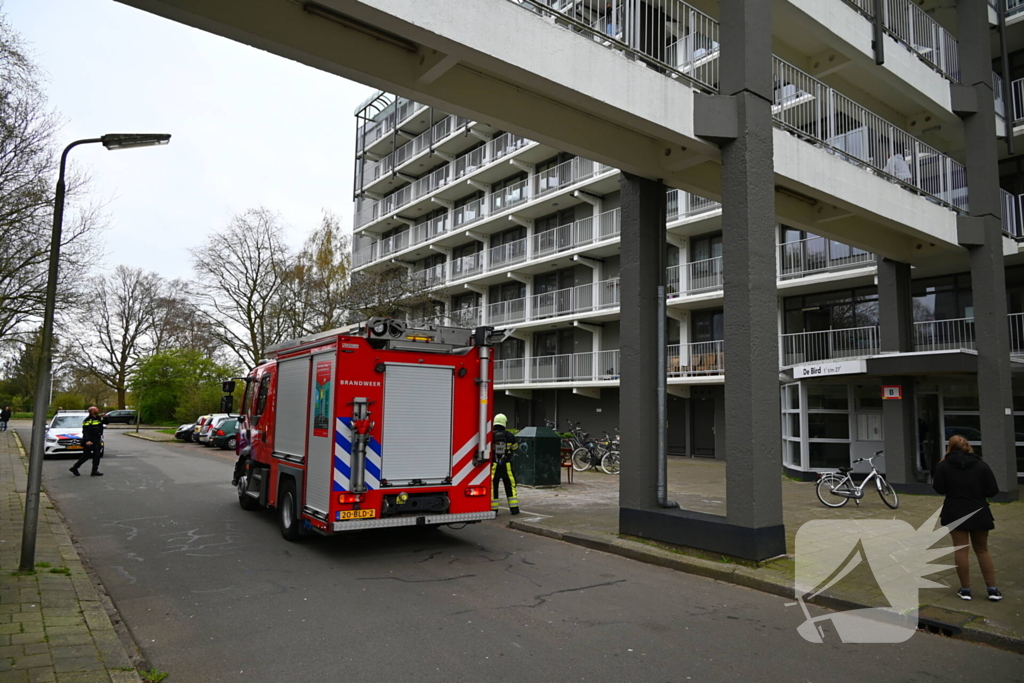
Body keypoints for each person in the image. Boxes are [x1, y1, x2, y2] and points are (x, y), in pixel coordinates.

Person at [932, 434, 1002, 602]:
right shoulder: (981, 465)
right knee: (982, 549)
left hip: (955, 511)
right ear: (968, 446)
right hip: (979, 510)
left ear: (949, 447)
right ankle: (992, 589)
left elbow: (939, 488)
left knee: (960, 549)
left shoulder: (944, 466)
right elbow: (992, 490)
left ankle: (965, 590)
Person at [491, 413, 519, 515]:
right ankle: (514, 509)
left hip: (494, 465)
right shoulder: (509, 435)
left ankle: (493, 510)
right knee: (510, 485)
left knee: (493, 486)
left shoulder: (490, 435)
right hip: (506, 464)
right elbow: (515, 448)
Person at [70, 407, 106, 477]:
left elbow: (106, 422)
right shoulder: (87, 420)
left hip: (97, 439)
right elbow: (85, 431)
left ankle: (94, 470)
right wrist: (87, 440)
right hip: (90, 440)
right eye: (96, 409)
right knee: (86, 455)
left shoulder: (99, 418)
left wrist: (105, 417)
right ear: (92, 411)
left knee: (97, 455)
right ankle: (75, 468)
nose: (98, 410)